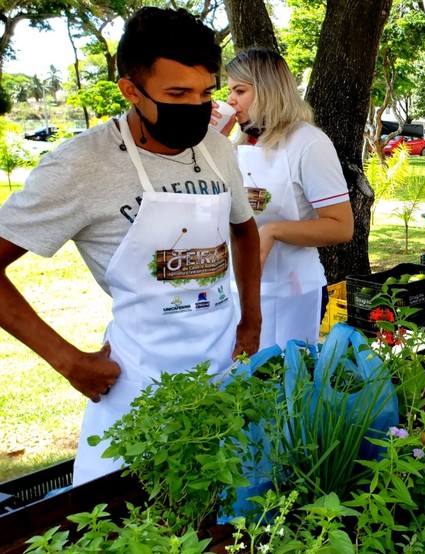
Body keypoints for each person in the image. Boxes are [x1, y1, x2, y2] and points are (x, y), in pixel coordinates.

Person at [0, 7, 261, 486]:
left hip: (226, 370)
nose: (197, 107)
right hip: (139, 380)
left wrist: (252, 318)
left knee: (231, 508)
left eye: (206, 92)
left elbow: (244, 228)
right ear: (131, 90)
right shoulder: (82, 165)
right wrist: (69, 361)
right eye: (177, 94)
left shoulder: (217, 149)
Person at [220, 48, 353, 349]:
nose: (230, 101)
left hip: (292, 291)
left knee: (284, 386)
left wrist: (273, 231)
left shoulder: (309, 143)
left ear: (268, 90)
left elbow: (341, 226)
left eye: (239, 91)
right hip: (238, 290)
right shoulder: (242, 142)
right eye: (230, 91)